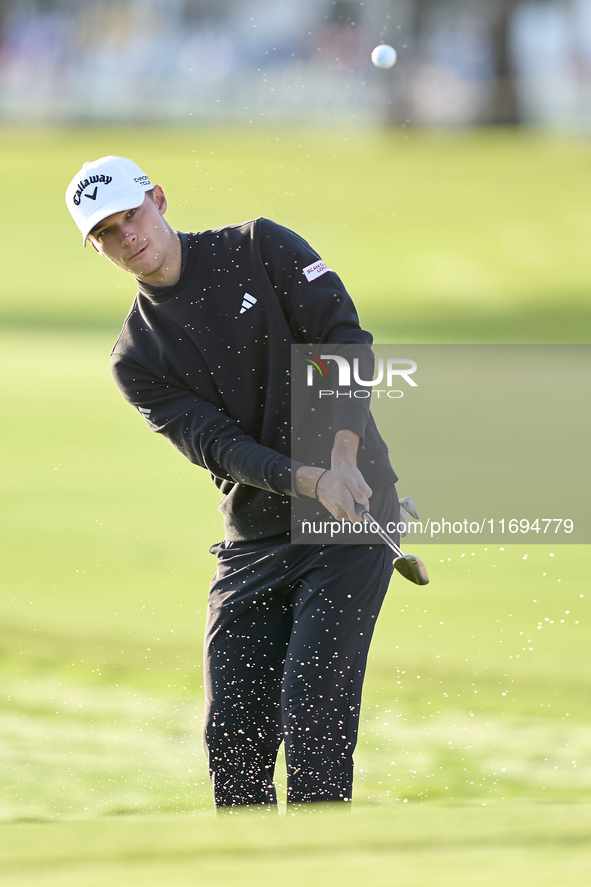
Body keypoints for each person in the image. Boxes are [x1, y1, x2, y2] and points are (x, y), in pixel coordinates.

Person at [65, 155, 400, 811]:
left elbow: (343, 339)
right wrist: (307, 478)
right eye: (105, 233)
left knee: (314, 719)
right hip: (256, 534)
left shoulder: (258, 247)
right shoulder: (137, 357)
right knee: (234, 739)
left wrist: (340, 456)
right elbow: (220, 447)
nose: (126, 237)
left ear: (157, 198)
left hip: (353, 512)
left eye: (130, 215)